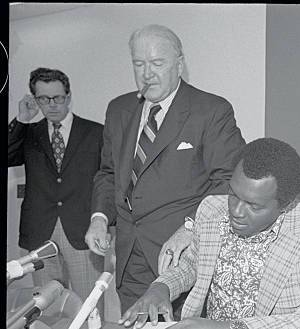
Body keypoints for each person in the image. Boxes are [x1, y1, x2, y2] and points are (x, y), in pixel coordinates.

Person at [118, 138, 300, 329]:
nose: (236, 211)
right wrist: (162, 286)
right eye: (233, 195)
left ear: (286, 205)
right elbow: (191, 265)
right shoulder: (211, 208)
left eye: (254, 205)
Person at [85, 24, 245, 313]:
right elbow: (108, 174)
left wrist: (190, 229)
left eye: (157, 63)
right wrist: (99, 218)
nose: (147, 74)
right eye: (139, 64)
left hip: (184, 260)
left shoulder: (211, 110)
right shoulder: (118, 109)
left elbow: (229, 181)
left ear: (179, 64)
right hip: (130, 261)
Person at [8, 68, 105, 317]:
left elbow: (108, 180)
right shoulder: (28, 134)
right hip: (40, 230)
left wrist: (105, 223)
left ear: (68, 96)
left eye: (58, 98)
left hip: (81, 230)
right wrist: (20, 119)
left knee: (89, 308)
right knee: (46, 307)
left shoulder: (95, 132)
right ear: (34, 99)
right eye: (43, 99)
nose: (51, 105)